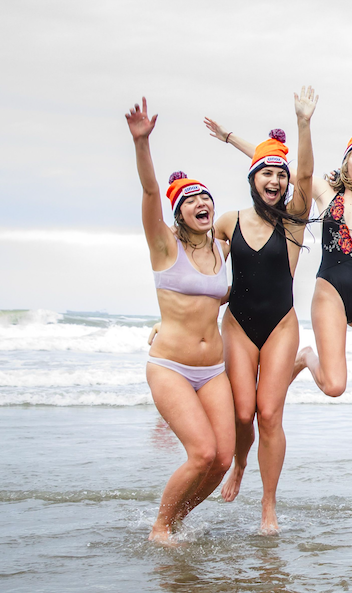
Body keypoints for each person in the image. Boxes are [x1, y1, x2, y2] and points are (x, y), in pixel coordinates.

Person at [204, 118, 352, 403]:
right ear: (346, 163)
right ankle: (305, 358)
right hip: (331, 294)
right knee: (335, 386)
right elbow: (273, 163)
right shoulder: (326, 192)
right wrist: (230, 137)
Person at [126, 97, 234, 545]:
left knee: (223, 457)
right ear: (179, 212)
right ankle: (159, 528)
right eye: (191, 199)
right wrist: (142, 144)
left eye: (205, 196)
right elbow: (152, 193)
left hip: (213, 370)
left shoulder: (220, 247)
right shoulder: (165, 248)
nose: (201, 202)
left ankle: (176, 519)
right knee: (201, 453)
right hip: (170, 365)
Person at [211, 87, 317, 534]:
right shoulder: (226, 222)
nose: (274, 180)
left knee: (268, 413)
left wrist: (304, 123)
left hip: (280, 324)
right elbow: (203, 281)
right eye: (266, 173)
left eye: (281, 174)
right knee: (241, 413)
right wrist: (168, 320)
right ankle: (239, 464)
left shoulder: (292, 221)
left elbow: (307, 176)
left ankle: (268, 505)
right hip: (237, 324)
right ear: (253, 177)